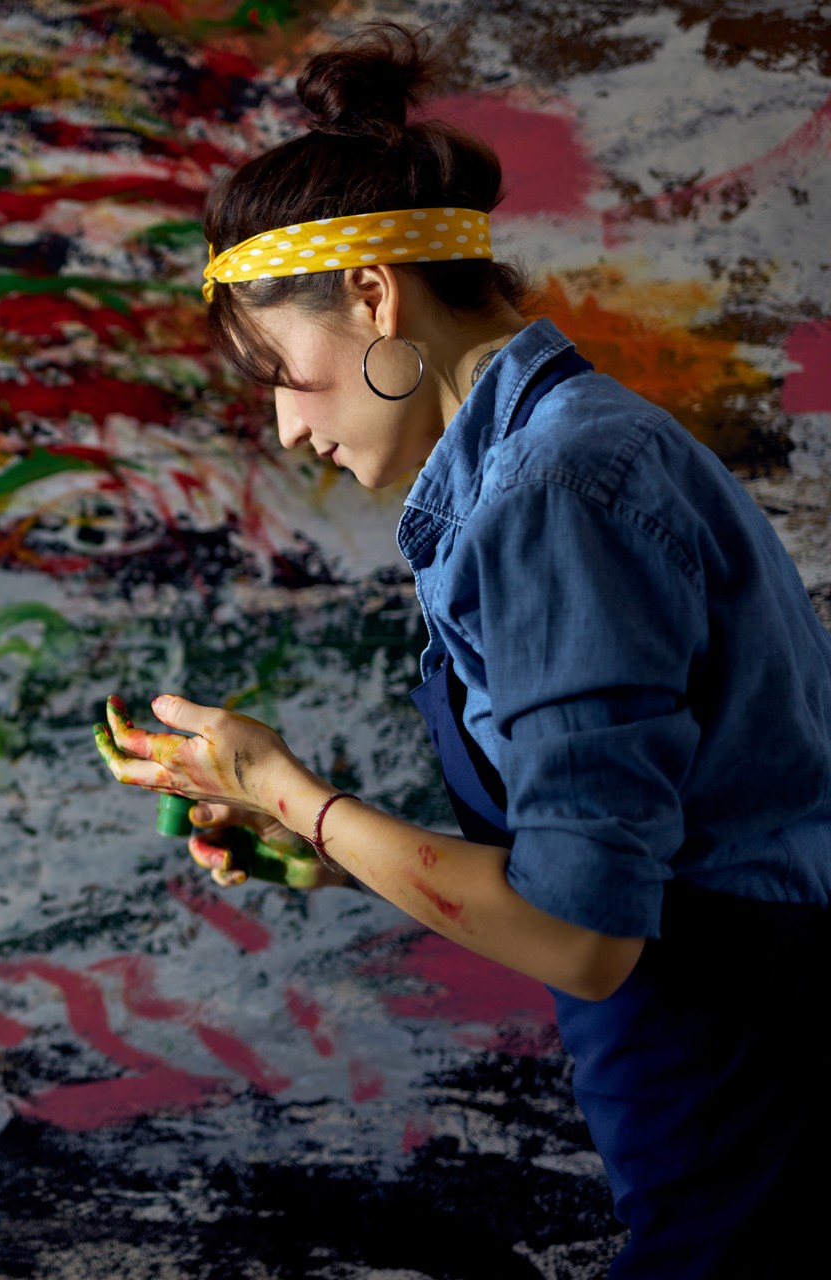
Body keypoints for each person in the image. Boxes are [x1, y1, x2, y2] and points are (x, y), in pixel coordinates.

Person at [94, 19, 831, 1279]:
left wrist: (290, 792)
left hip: (751, 1088)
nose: (282, 425)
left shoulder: (558, 490)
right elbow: (600, 846)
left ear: (376, 295)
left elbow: (583, 932)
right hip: (722, 1075)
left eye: (281, 369)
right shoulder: (547, 458)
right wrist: (328, 858)